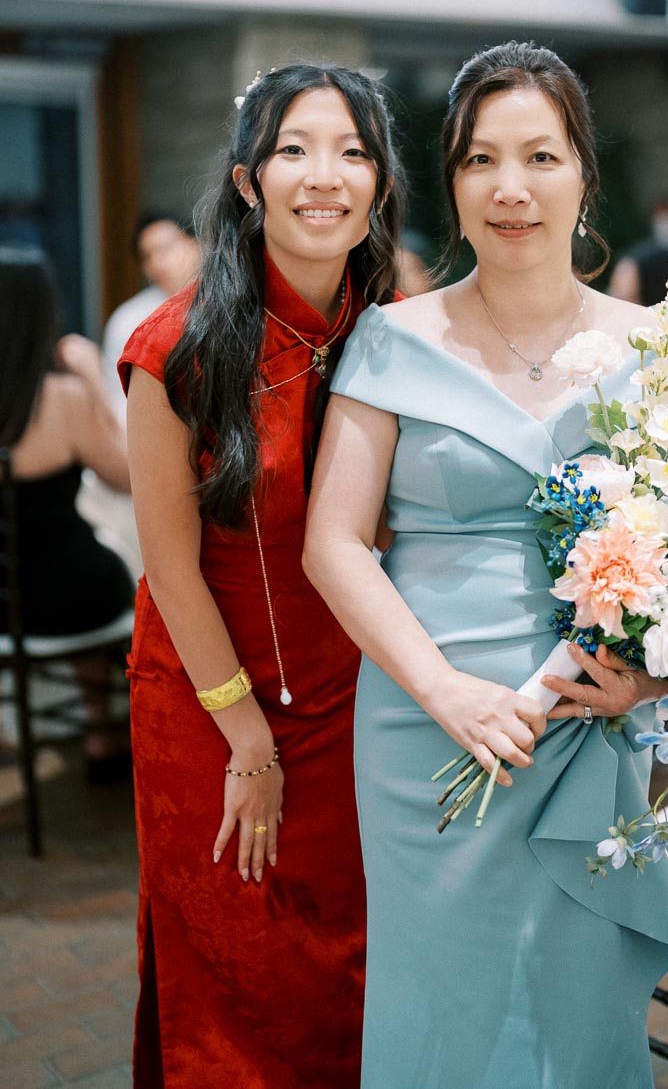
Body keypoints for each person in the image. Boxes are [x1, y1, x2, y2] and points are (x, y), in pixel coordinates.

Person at [304, 41, 668, 1089]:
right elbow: (332, 543)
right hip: (424, 727)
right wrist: (447, 694)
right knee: (441, 1008)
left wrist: (654, 674)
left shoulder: (658, 346)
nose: (511, 188)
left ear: (583, 174)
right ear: (453, 180)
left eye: (540, 156)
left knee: (576, 1015)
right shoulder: (392, 339)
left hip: (590, 727)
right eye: (482, 160)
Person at [120, 63, 404, 1087]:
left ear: (378, 181)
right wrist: (245, 735)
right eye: (294, 149)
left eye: (352, 151)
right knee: (239, 982)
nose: (324, 176)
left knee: (356, 972)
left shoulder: (394, 325)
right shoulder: (177, 352)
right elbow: (169, 567)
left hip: (356, 695)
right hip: (211, 699)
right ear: (249, 181)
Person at [0, 248, 134, 779]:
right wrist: (97, 385)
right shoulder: (62, 397)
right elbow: (125, 478)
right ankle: (101, 727)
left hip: (4, 603)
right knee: (101, 569)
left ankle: (9, 738)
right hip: (70, 596)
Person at [102, 213, 201, 417]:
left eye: (166, 248)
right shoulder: (129, 319)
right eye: (147, 255)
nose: (158, 261)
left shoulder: (228, 299)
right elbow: (119, 399)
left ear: (196, 244)